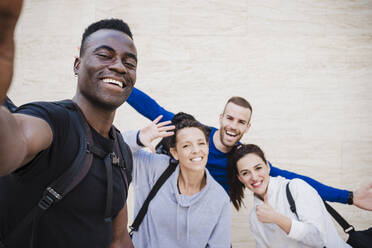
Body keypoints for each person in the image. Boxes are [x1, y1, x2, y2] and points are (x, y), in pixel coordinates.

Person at [0, 1, 136, 247]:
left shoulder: (122, 153)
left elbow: (118, 239)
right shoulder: (52, 121)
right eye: (105, 55)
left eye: (129, 63)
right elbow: (12, 141)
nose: (118, 66)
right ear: (77, 65)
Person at [126, 87, 372, 210]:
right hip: (167, 209)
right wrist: (106, 76)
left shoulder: (244, 159)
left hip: (206, 220)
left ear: (247, 127)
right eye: (230, 119)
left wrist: (349, 197)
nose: (234, 126)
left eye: (241, 122)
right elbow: (149, 106)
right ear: (221, 118)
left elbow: (293, 179)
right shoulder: (194, 132)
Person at [124, 113, 231, 247]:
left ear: (208, 147)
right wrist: (138, 137)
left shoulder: (220, 199)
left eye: (201, 143)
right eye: (186, 146)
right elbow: (114, 147)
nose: (196, 150)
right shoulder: (154, 169)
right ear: (174, 152)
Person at [227, 144, 351, 247]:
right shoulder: (254, 217)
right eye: (245, 173)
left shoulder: (296, 187)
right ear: (240, 178)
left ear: (268, 167)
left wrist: (276, 218)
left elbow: (318, 239)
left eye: (258, 168)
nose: (254, 177)